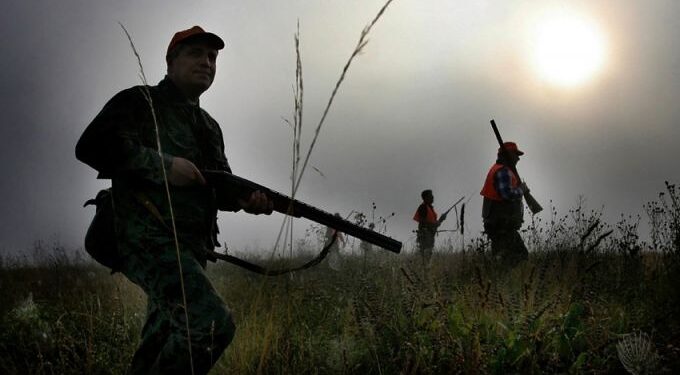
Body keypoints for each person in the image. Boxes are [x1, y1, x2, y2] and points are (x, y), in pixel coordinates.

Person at [76, 26, 273, 374]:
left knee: (160, 340)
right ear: (171, 62)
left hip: (190, 249)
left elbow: (219, 187)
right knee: (210, 325)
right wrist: (164, 166)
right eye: (195, 53)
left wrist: (248, 201)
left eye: (212, 57)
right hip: (145, 237)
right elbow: (91, 146)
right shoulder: (140, 101)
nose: (206, 62)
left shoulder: (209, 127)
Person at [480, 141, 529, 266]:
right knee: (519, 255)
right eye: (515, 154)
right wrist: (522, 190)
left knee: (501, 256)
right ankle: (499, 280)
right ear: (508, 155)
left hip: (497, 223)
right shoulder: (504, 171)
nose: (518, 158)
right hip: (502, 224)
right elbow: (507, 195)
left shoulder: (496, 169)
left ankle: (497, 280)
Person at [413, 190, 447, 265]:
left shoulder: (429, 208)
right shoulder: (423, 207)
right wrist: (438, 222)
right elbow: (423, 223)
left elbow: (432, 223)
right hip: (425, 236)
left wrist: (440, 220)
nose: (433, 197)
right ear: (426, 198)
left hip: (429, 235)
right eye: (431, 196)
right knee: (425, 256)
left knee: (427, 256)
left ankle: (425, 270)